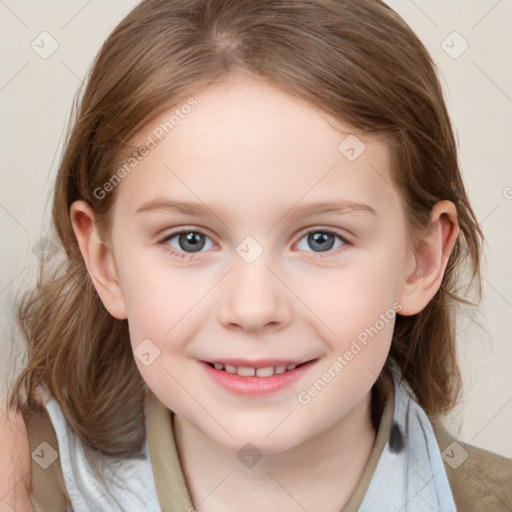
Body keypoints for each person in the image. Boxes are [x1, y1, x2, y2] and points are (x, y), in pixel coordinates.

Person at [1, 0, 511, 510]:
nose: (253, 308)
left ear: (420, 261)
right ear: (106, 262)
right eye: (190, 240)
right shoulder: (19, 481)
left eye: (321, 240)